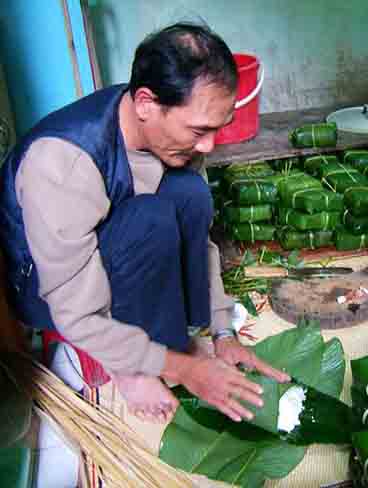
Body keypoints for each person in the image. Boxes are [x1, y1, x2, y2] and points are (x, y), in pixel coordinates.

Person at [0, 22, 289, 423]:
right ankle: (131, 368)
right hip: (51, 291)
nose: (208, 145)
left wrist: (224, 331)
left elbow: (199, 240)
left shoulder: (173, 134)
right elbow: (75, 311)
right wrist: (180, 369)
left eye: (215, 130)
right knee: (149, 219)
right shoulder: (62, 162)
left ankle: (171, 343)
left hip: (118, 246)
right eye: (200, 131)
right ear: (146, 104)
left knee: (190, 193)